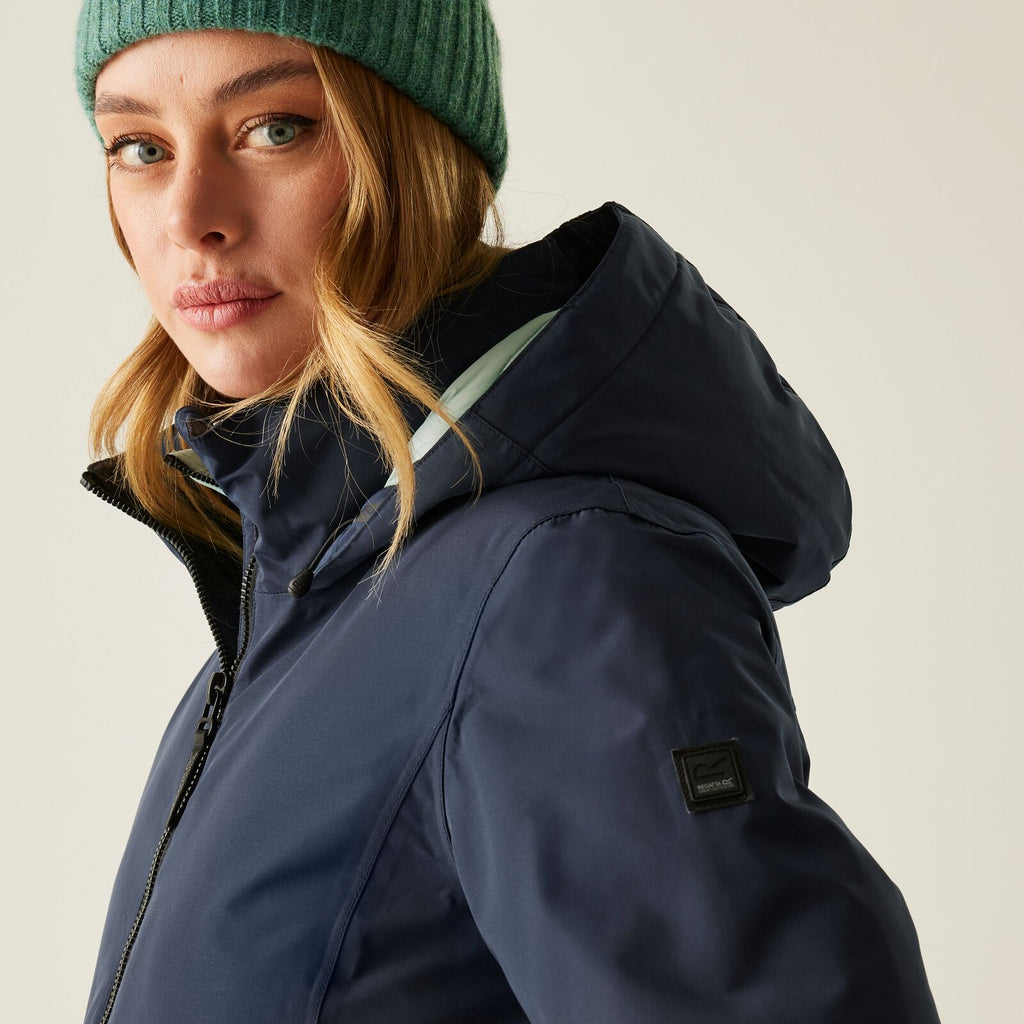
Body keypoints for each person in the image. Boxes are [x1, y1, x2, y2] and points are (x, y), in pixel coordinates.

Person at [72, 2, 941, 1022]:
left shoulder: (564, 587)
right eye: (140, 148)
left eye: (277, 128)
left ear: (420, 151)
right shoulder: (307, 593)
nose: (189, 217)